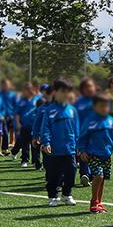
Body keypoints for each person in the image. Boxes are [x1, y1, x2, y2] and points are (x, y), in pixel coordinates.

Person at [79, 94, 113, 213]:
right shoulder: (90, 121)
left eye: (106, 106)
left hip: (107, 155)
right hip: (93, 155)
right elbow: (82, 137)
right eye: (101, 106)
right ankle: (93, 202)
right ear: (95, 107)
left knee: (102, 179)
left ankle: (99, 202)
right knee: (98, 176)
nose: (104, 108)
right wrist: (82, 150)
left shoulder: (111, 121)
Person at [39, 79, 79, 207]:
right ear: (55, 93)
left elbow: (77, 129)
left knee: (71, 173)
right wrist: (46, 142)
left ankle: (67, 194)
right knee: (53, 175)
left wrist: (79, 145)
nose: (66, 94)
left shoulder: (72, 110)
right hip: (54, 150)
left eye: (68, 92)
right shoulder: (49, 110)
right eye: (63, 91)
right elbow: (45, 128)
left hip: (70, 149)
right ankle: (53, 196)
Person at [74, 78, 98, 185]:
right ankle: (84, 174)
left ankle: (92, 175)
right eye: (86, 87)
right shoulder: (78, 103)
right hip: (82, 134)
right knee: (83, 153)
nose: (89, 89)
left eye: (91, 86)